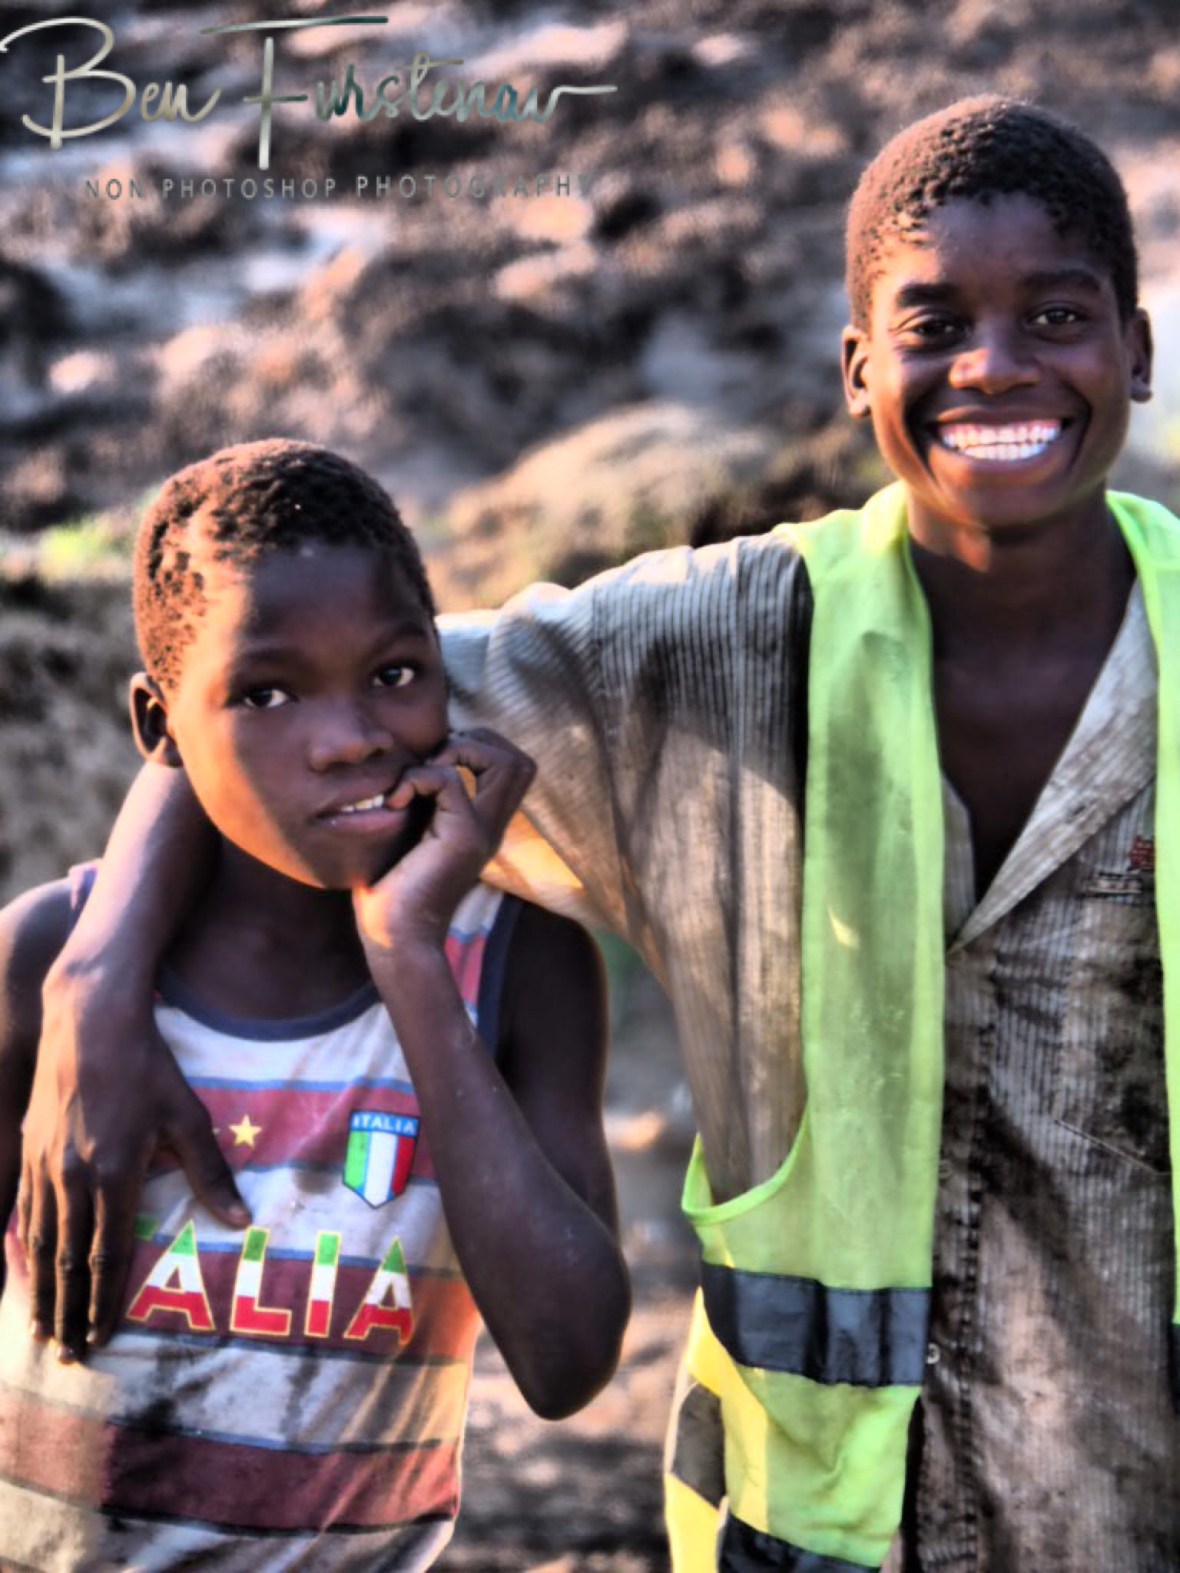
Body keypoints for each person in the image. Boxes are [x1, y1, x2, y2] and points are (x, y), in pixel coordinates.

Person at [12, 94, 1180, 1570]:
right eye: (934, 323)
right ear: (853, 365)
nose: (995, 367)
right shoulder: (717, 648)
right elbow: (298, 716)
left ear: (1136, 346)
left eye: (1057, 316)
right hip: (806, 1525)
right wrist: (94, 970)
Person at [0, 440, 630, 1569]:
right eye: (266, 691)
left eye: (393, 673)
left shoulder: (520, 966)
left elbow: (569, 1359)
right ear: (159, 727)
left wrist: (412, 962)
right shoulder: (49, 962)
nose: (349, 737)